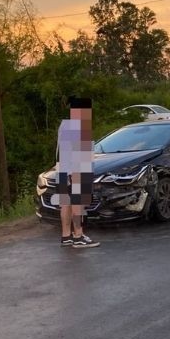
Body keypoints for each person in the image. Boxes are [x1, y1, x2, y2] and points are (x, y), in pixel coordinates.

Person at [54, 97, 100, 248]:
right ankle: (78, 236)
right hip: (75, 170)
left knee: (65, 204)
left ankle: (66, 236)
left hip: (62, 169)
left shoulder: (65, 126)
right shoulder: (80, 127)